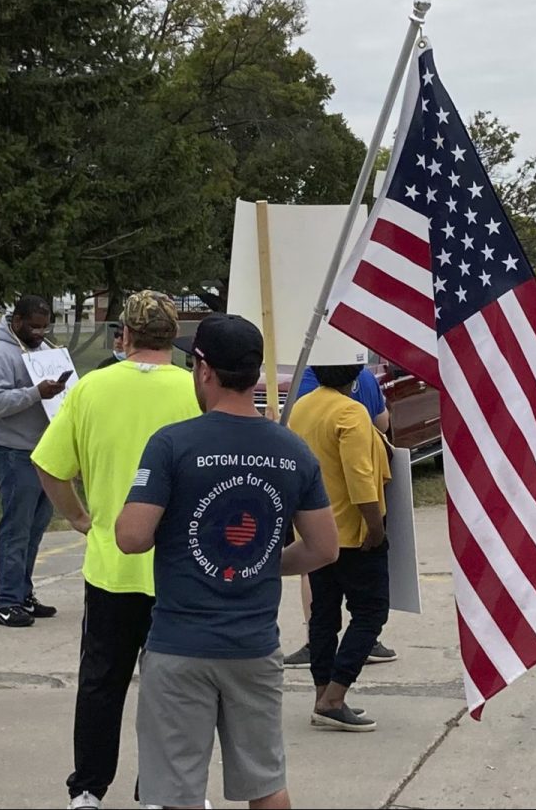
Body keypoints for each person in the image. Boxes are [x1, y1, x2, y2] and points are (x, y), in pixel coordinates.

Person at [116, 312, 338, 810]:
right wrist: (262, 562)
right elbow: (325, 548)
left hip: (180, 643)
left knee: (177, 791)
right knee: (265, 783)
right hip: (254, 645)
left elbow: (132, 537)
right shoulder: (292, 450)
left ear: (204, 369)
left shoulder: (172, 444)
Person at [31, 291, 200, 810]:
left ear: (122, 335)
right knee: (171, 688)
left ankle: (87, 787)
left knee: (101, 681)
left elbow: (49, 464)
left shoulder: (91, 390)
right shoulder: (196, 390)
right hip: (181, 568)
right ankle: (158, 788)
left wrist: (80, 517)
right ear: (175, 338)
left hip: (112, 564)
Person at [287, 362, 392, 731]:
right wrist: (375, 526)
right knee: (371, 612)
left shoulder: (302, 407)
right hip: (352, 532)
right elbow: (359, 475)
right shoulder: (351, 412)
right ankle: (335, 696)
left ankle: (321, 694)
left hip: (314, 532)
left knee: (324, 615)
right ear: (356, 375)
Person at [0, 294, 64, 628]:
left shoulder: (42, 350)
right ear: (17, 321)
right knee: (17, 527)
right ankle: (6, 602)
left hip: (42, 451)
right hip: (12, 451)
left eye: (45, 326)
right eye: (34, 326)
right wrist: (35, 393)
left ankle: (22, 592)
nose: (40, 332)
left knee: (36, 525)